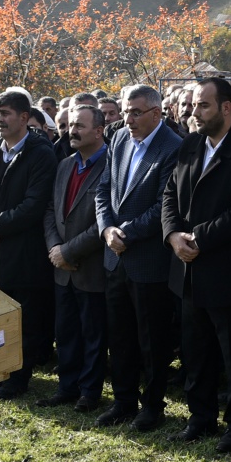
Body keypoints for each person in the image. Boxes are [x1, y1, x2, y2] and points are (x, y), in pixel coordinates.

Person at [162, 77, 231, 451]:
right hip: (188, 269)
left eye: (203, 105)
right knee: (196, 352)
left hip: (228, 272)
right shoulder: (190, 144)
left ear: (227, 108)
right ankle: (201, 417)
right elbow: (169, 194)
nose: (194, 112)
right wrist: (173, 235)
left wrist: (198, 239)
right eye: (193, 105)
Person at [95, 84, 183, 429]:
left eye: (136, 112)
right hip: (115, 256)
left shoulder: (173, 148)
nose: (127, 118)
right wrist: (106, 229)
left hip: (147, 259)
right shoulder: (118, 140)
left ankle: (152, 406)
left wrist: (125, 233)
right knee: (120, 336)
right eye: (125, 110)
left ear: (156, 113)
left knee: (152, 339)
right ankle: (123, 401)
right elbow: (103, 189)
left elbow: (164, 204)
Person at [0, 89, 61, 401]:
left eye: (6, 113)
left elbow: (34, 204)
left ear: (23, 117)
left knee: (21, 319)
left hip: (22, 254)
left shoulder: (41, 152)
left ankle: (17, 378)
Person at [39, 105, 110, 409]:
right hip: (62, 267)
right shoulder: (65, 165)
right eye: (70, 126)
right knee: (66, 331)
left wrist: (69, 251)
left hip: (90, 266)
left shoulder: (111, 165)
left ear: (99, 130)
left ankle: (90, 392)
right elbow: (50, 211)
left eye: (80, 126)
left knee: (93, 335)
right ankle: (66, 387)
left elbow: (105, 222)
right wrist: (56, 249)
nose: (73, 131)